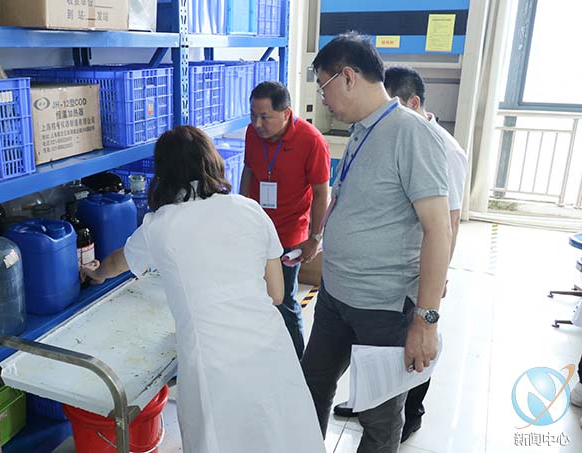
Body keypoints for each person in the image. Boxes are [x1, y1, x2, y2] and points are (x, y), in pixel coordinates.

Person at [82, 126, 326, 453]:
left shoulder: (161, 225)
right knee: (280, 434)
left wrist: (95, 273)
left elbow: (116, 263)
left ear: (163, 174)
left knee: (220, 440)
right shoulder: (250, 209)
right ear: (213, 162)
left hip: (213, 360)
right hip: (267, 348)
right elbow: (276, 294)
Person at [301, 32, 452, 452]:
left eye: (324, 86)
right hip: (335, 295)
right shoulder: (363, 129)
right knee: (311, 386)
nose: (324, 100)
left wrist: (425, 321)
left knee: (379, 416)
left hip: (382, 307)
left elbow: (439, 229)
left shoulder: (411, 133)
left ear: (348, 77)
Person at [333, 65, 469, 441]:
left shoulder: (442, 148)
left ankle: (410, 414)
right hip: (370, 276)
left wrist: (433, 289)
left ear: (411, 103)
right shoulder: (378, 132)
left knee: (410, 357)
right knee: (377, 361)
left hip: (409, 278)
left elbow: (447, 223)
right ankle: (369, 402)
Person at [240, 81, 330, 359]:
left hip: (289, 234)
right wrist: (241, 211)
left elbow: (321, 193)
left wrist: (315, 238)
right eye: (253, 115)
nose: (257, 124)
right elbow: (248, 171)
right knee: (253, 294)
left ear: (286, 113)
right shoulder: (253, 133)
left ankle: (295, 361)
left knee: (283, 299)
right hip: (256, 229)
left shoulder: (311, 140)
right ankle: (260, 353)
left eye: (264, 116)